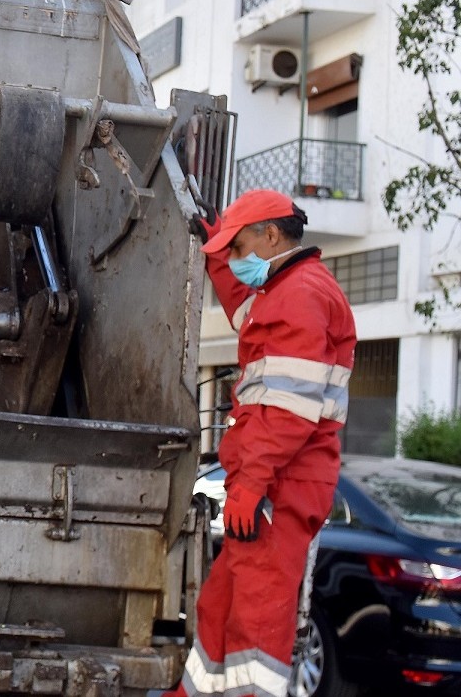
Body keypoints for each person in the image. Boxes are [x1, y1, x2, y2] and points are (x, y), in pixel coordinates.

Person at [168, 189, 356, 697]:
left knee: (254, 626)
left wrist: (251, 486)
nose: (235, 260)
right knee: (220, 609)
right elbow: (244, 311)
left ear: (272, 235)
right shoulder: (288, 291)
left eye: (239, 248)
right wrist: (215, 255)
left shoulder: (299, 297)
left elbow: (287, 413)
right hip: (278, 482)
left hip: (280, 485)